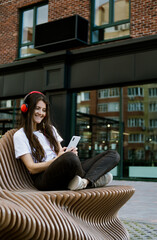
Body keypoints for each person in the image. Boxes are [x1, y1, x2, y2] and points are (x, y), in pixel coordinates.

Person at [13, 91, 120, 191]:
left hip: (63, 170)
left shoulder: (50, 129)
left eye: (44, 110)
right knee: (70, 158)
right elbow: (31, 168)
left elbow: (60, 153)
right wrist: (61, 158)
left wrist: (69, 153)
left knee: (113, 155)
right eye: (37, 108)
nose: (41, 113)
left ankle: (85, 182)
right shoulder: (20, 135)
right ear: (26, 109)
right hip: (43, 178)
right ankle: (94, 179)